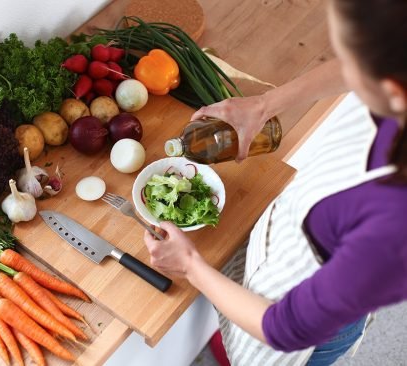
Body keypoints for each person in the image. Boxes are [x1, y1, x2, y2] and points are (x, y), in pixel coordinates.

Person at [143, 0, 407, 365]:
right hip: (280, 251)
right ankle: (227, 342)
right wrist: (264, 104)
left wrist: (189, 264)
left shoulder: (393, 233)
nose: (348, 66)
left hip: (300, 334)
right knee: (234, 328)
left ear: (393, 89)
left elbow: (285, 328)